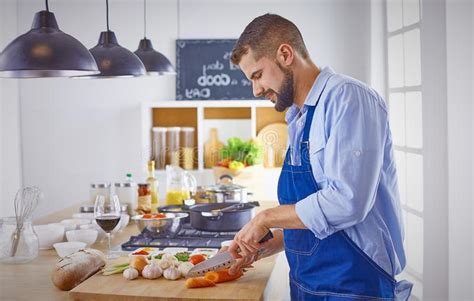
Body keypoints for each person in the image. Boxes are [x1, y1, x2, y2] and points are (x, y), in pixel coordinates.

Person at [224, 13, 413, 300]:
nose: (256, 90)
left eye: (258, 75)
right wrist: (266, 245)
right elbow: (316, 218)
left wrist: (266, 218)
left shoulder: (347, 98)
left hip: (353, 287)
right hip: (305, 286)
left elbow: (347, 201)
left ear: (285, 54)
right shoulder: (298, 117)